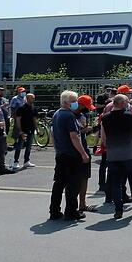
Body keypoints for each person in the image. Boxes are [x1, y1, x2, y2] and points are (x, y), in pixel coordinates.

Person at [102, 94, 132, 219]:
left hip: (113, 154)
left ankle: (118, 209)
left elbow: (104, 136)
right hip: (128, 153)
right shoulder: (129, 117)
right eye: (127, 102)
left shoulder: (105, 118)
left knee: (116, 183)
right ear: (122, 104)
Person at [49, 91, 90, 221]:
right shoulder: (68, 116)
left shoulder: (57, 114)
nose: (76, 103)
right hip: (72, 155)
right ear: (66, 102)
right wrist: (83, 154)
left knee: (59, 183)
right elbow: (74, 136)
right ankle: (71, 211)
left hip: (61, 154)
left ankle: (54, 210)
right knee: (73, 184)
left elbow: (53, 135)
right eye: (74, 101)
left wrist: (57, 150)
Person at [75, 95, 97, 213]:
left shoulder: (82, 116)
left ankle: (82, 203)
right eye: (87, 106)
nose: (88, 109)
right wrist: (83, 130)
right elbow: (73, 134)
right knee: (75, 179)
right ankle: (73, 207)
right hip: (77, 152)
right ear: (81, 104)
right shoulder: (71, 116)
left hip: (84, 148)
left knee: (85, 177)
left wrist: (90, 130)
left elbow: (82, 133)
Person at [12, 93, 38, 169]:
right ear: (27, 98)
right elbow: (18, 120)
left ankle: (26, 161)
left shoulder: (33, 108)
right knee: (19, 146)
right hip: (23, 130)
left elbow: (34, 119)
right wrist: (20, 131)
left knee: (29, 146)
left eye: (34, 98)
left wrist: (37, 129)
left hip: (31, 130)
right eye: (32, 98)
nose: (33, 99)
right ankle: (15, 162)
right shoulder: (21, 108)